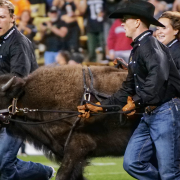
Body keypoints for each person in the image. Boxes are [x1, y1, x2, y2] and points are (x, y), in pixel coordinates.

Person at [77, 0, 180, 179]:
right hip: (149, 114)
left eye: (125, 19)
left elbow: (157, 80)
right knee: (132, 163)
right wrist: (101, 107)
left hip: (165, 112)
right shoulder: (138, 48)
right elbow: (128, 88)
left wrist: (136, 102)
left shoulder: (151, 46)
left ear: (137, 22)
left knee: (169, 173)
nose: (122, 23)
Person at [0, 1, 55, 179]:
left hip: (18, 112)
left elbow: (18, 79)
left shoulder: (18, 43)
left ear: (12, 19)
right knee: (4, 162)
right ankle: (45, 172)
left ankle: (43, 172)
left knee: (3, 163)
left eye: (1, 17)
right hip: (3, 109)